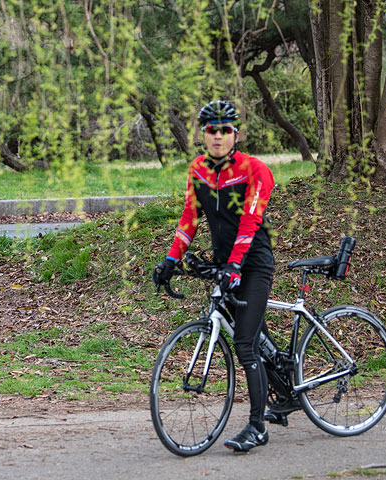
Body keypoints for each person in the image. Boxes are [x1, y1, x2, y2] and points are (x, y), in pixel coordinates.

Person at [153, 99, 276, 453]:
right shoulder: (198, 170)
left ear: (235, 134)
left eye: (225, 130)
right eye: (211, 131)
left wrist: (235, 265)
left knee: (244, 344)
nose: (218, 137)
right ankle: (280, 391)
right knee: (253, 336)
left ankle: (257, 427)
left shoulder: (255, 170)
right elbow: (190, 218)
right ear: (203, 135)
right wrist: (170, 260)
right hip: (226, 264)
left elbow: (250, 223)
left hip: (252, 264)